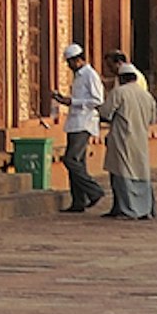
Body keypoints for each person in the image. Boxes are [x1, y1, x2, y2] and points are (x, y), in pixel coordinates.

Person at [101, 52, 157, 220]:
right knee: (140, 173)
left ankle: (128, 209)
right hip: (140, 138)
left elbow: (106, 113)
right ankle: (145, 208)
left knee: (121, 173)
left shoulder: (119, 92)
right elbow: (152, 119)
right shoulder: (147, 95)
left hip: (122, 137)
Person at [59, 42, 106, 213]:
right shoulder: (79, 75)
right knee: (78, 163)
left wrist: (73, 102)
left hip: (84, 122)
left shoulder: (90, 75)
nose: (69, 66)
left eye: (70, 62)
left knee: (70, 160)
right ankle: (78, 201)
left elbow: (97, 100)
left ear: (77, 60)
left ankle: (94, 191)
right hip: (75, 122)